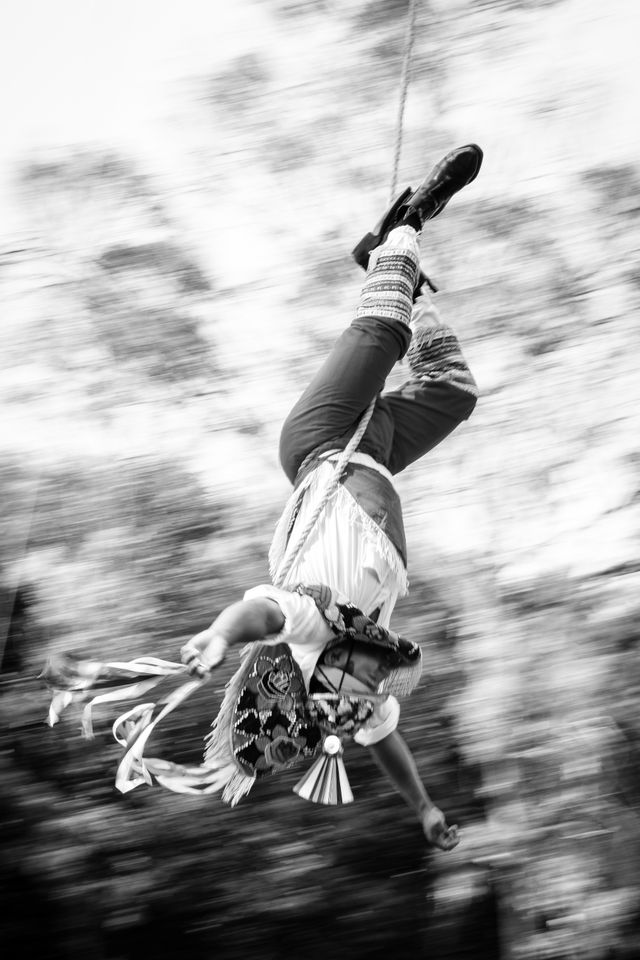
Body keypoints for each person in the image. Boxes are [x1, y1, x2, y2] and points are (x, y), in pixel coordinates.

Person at [180, 144, 483, 851]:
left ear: (315, 687)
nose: (365, 704)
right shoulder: (360, 682)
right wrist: (425, 810)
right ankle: (390, 262)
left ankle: (407, 224)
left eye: (342, 707)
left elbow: (259, 614)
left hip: (321, 441)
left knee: (382, 328)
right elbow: (386, 745)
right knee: (454, 391)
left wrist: (220, 637)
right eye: (356, 711)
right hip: (371, 452)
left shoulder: (310, 631)